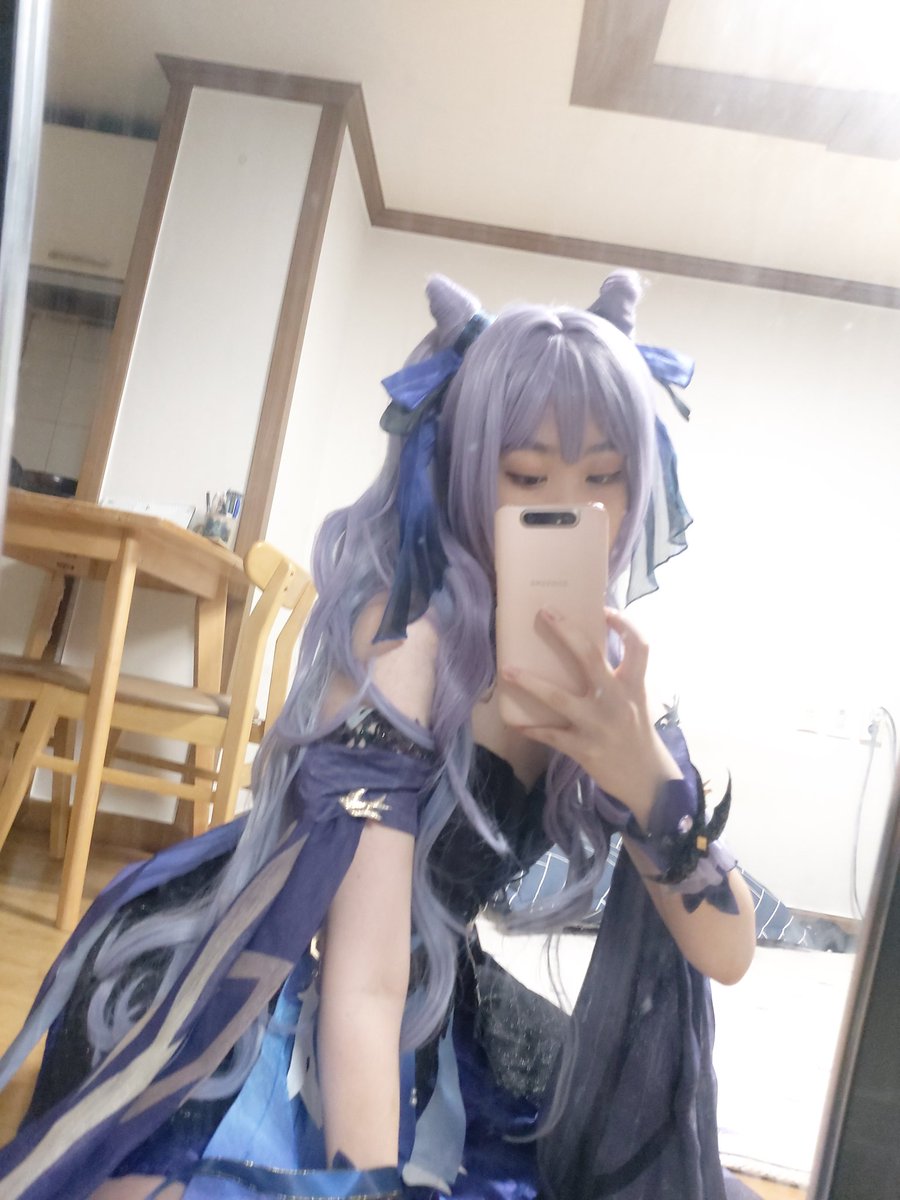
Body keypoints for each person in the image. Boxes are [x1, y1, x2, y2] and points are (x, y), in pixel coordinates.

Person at [0, 270, 758, 1200]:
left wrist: (648, 782)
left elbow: (727, 954)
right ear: (465, 473)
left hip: (427, 989)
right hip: (277, 968)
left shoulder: (615, 679)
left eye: (603, 477)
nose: (570, 511)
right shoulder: (403, 641)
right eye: (527, 477)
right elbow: (358, 981)